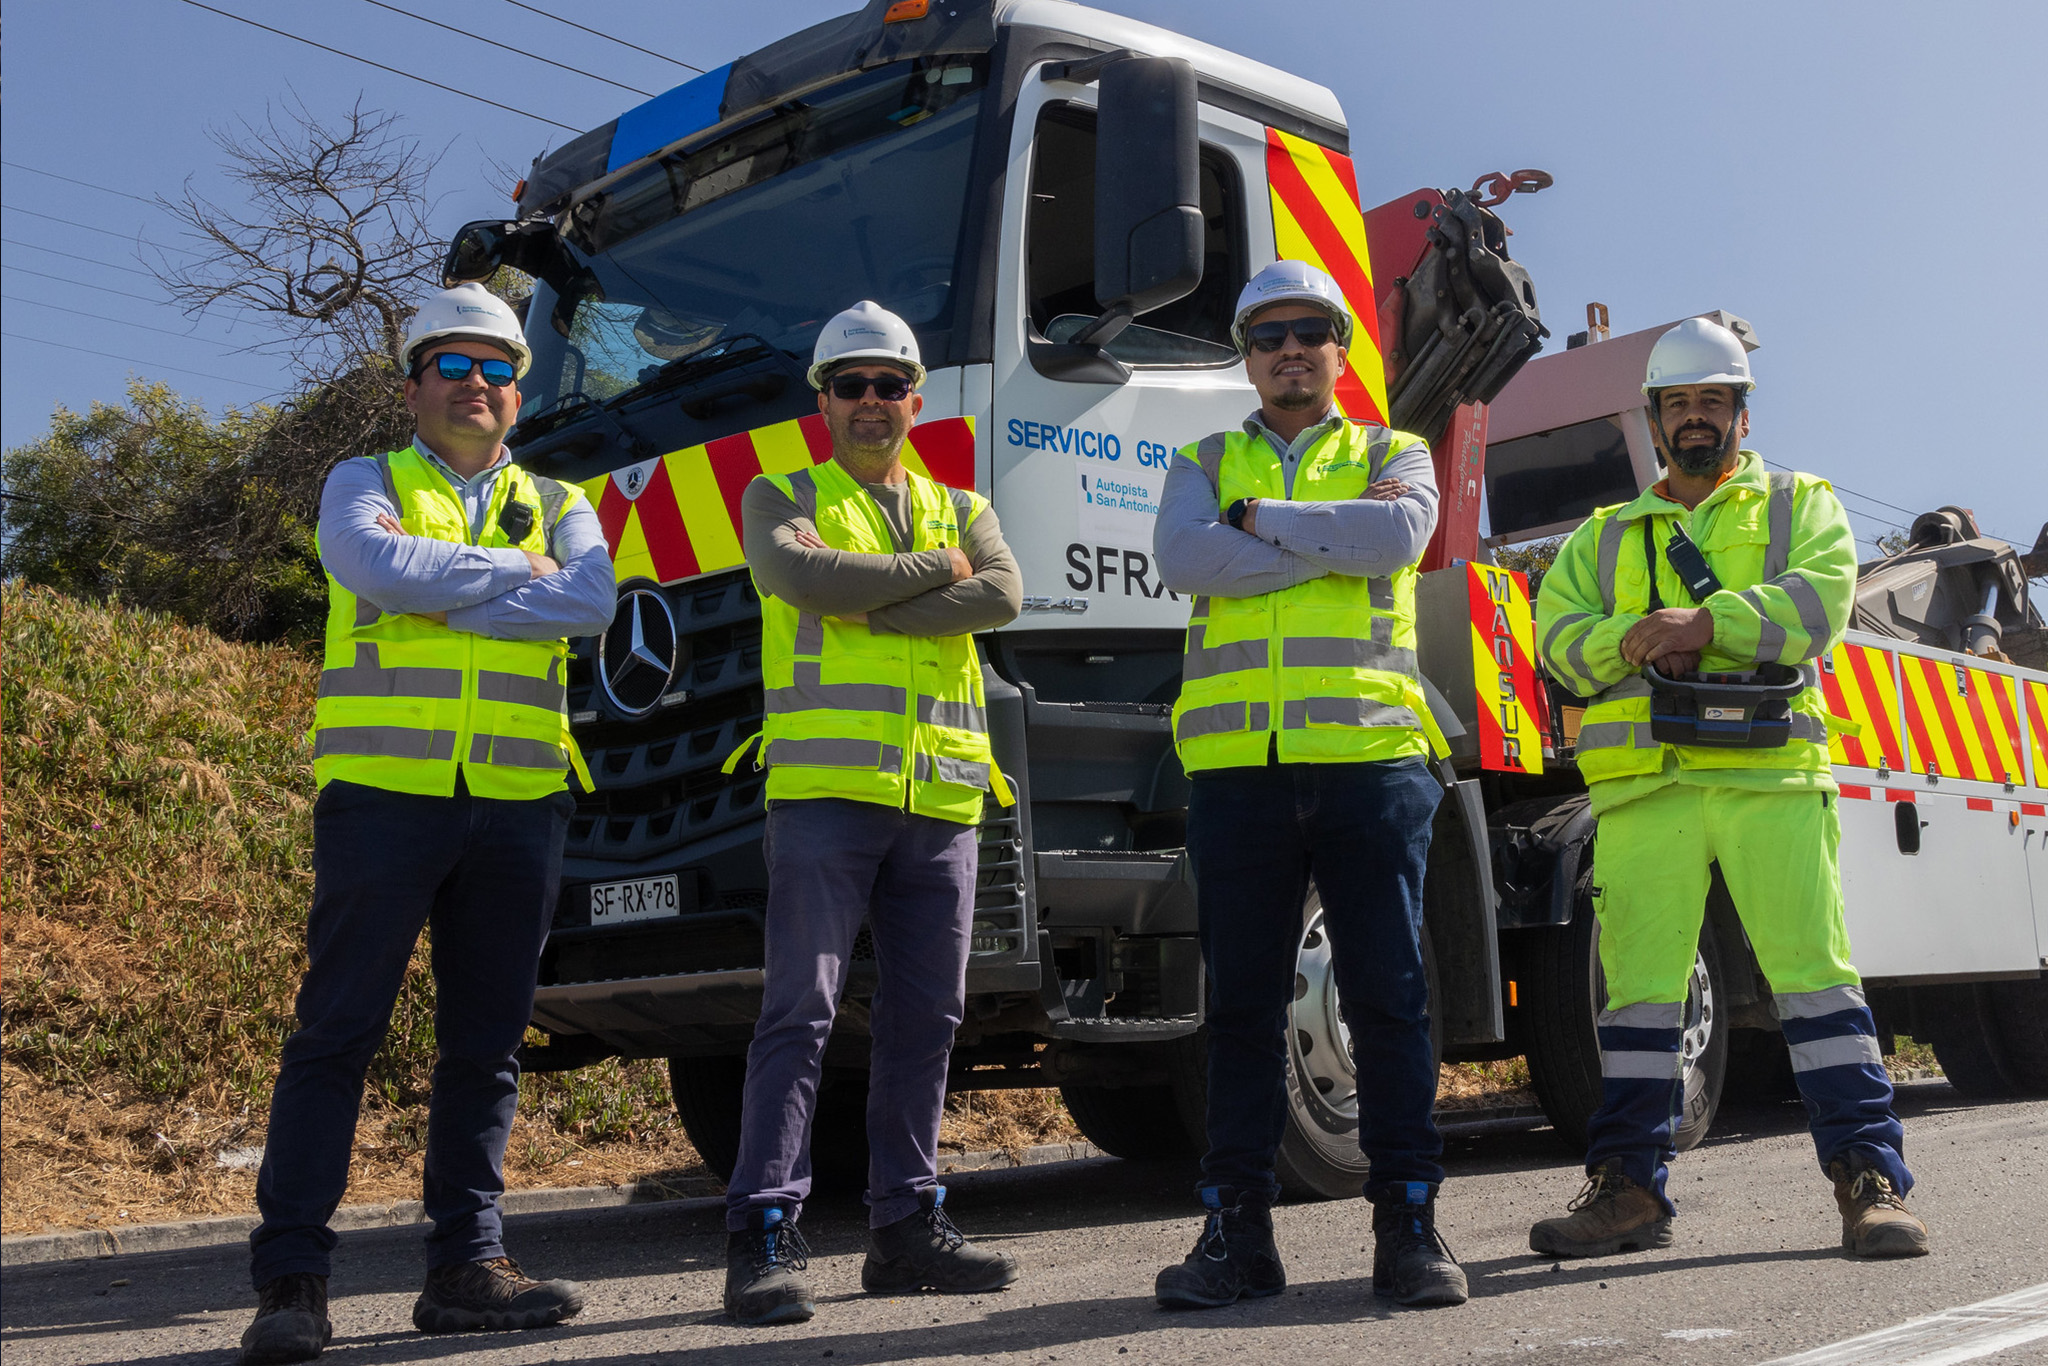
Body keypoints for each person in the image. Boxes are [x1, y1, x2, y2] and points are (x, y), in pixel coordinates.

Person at [239, 283, 616, 1365]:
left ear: (517, 390)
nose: (477, 386)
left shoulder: (559, 496)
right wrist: (514, 574)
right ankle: (292, 1282)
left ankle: (466, 1267)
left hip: (517, 802)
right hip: (383, 797)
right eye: (453, 366)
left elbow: (590, 601)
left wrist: (447, 585)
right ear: (412, 386)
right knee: (335, 1033)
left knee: (486, 1046)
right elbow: (371, 565)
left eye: (497, 369)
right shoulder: (364, 480)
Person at [1531, 317, 1929, 1260]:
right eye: (1679, 404)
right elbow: (1555, 637)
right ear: (1656, 419)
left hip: (1768, 779)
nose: (1697, 418)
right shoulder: (1603, 534)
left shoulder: (1799, 505)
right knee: (1635, 1004)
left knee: (1815, 985)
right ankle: (1628, 1190)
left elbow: (1818, 605)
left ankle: (1870, 1183)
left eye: (1714, 401)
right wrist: (1631, 637)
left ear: (1742, 415)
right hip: (1645, 792)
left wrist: (1698, 622)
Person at [1149, 260, 1467, 1310]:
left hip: (1370, 765)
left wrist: (1255, 521)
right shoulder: (1197, 460)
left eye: (1309, 330)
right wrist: (1324, 538)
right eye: (1266, 334)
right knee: (1238, 1009)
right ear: (1245, 355)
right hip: (1239, 774)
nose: (1288, 348)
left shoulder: (1393, 451)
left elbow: (1397, 538)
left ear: (1339, 347)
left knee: (1388, 1000)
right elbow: (1185, 562)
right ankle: (1237, 1235)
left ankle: (1408, 1228)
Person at [718, 300, 1025, 1326]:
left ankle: (903, 1230)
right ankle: (761, 1233)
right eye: (849, 385)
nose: (869, 402)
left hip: (939, 798)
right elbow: (795, 574)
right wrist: (935, 573)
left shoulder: (962, 503)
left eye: (888, 384)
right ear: (822, 399)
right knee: (798, 1012)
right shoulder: (779, 494)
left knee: (925, 1020)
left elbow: (1004, 596)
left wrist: (866, 591)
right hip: (823, 794)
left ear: (913, 397)